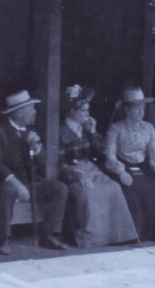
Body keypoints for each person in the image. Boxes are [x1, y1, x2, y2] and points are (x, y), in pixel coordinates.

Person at [0, 90, 68, 255]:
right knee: (8, 190)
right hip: (5, 182)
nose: (35, 112)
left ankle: (48, 235)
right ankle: (4, 240)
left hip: (29, 182)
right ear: (19, 112)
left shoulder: (31, 132)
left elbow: (43, 162)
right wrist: (16, 183)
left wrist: (36, 147)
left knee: (59, 188)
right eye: (31, 108)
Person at [59, 85, 139, 248]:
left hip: (92, 170)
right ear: (72, 111)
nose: (88, 114)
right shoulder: (60, 131)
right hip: (73, 173)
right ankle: (90, 239)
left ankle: (117, 236)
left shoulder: (85, 128)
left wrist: (93, 132)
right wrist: (78, 175)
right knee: (88, 194)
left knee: (114, 188)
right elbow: (59, 163)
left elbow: (103, 151)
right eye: (84, 111)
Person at [104, 87, 155, 243]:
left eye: (142, 108)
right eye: (136, 108)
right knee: (133, 189)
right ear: (127, 109)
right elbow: (110, 156)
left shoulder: (149, 128)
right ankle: (136, 235)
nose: (140, 112)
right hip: (123, 165)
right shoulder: (115, 128)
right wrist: (120, 172)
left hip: (144, 165)